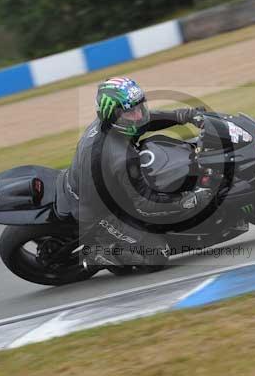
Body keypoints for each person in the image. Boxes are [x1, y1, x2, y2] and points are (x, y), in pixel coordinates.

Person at [55, 77, 212, 272]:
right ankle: (99, 253)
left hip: (94, 185)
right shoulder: (121, 157)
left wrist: (185, 116)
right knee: (158, 254)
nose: (138, 115)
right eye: (131, 111)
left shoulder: (112, 124)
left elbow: (146, 121)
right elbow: (145, 205)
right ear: (113, 115)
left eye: (139, 107)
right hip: (98, 213)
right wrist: (189, 200)